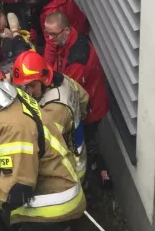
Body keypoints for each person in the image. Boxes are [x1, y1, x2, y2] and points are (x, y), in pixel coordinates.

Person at [0, 44, 86, 227]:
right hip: (47, 184)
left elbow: (11, 195)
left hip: (55, 204)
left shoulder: (12, 126)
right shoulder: (8, 99)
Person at [42, 11, 110, 185]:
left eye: (53, 35)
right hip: (85, 99)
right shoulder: (65, 39)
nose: (50, 39)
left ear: (66, 30)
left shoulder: (77, 60)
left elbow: (69, 93)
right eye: (47, 34)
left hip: (90, 109)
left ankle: (83, 176)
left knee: (79, 142)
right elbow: (51, 56)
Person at [13, 50, 89, 172]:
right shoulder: (63, 80)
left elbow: (44, 145)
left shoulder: (55, 109)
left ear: (43, 80)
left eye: (32, 85)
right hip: (78, 145)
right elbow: (84, 99)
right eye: (25, 86)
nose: (29, 92)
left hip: (71, 167)